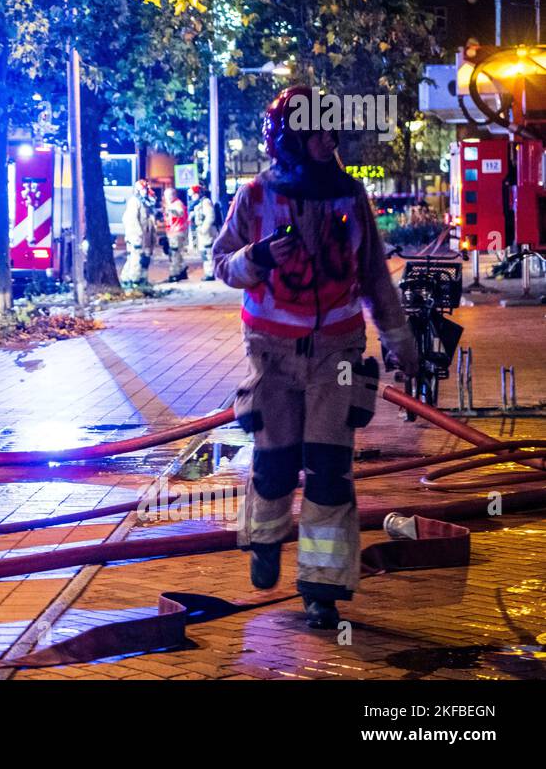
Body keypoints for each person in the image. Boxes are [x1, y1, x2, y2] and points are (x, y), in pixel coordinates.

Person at [212, 86, 420, 629]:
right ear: (288, 140)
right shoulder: (255, 197)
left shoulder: (351, 197)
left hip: (338, 351)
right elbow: (221, 264)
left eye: (332, 131)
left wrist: (399, 339)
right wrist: (256, 257)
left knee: (329, 467)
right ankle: (265, 540)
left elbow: (374, 273)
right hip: (273, 354)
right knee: (276, 461)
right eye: (316, 132)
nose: (328, 140)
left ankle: (322, 588)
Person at [119, 179, 156, 286]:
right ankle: (134, 280)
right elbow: (131, 220)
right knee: (136, 259)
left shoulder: (145, 203)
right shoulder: (134, 202)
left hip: (146, 237)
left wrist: (152, 237)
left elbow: (149, 221)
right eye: (143, 189)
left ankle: (141, 279)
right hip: (137, 238)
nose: (145, 191)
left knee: (144, 259)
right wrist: (136, 238)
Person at [189, 184, 219, 281]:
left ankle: (211, 273)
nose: (193, 197)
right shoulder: (198, 204)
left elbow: (210, 216)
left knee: (208, 252)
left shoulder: (205, 202)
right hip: (202, 231)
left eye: (194, 194)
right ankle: (209, 272)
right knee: (204, 253)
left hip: (207, 232)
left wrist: (204, 229)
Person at [163, 186, 189, 282]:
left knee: (174, 253)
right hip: (173, 232)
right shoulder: (171, 204)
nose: (167, 197)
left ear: (174, 195)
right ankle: (182, 270)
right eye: (166, 195)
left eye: (169, 195)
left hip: (177, 232)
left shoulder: (177, 204)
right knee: (177, 253)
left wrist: (171, 211)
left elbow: (180, 213)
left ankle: (174, 274)